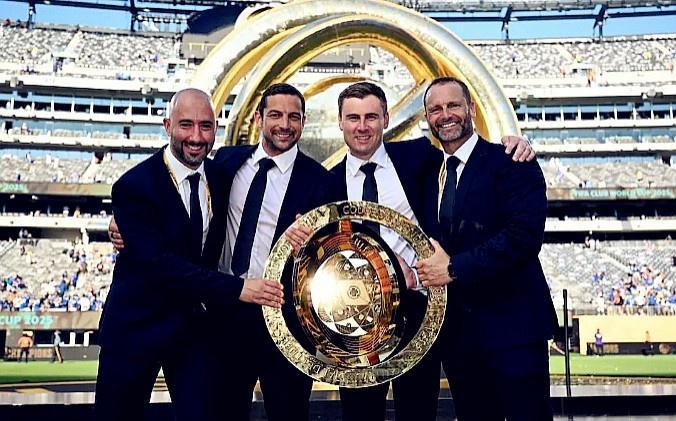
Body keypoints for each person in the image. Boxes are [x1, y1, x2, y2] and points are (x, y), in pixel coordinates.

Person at [286, 81, 534, 421]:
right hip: (357, 323)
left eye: (371, 117)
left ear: (386, 119)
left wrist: (516, 143)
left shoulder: (420, 158)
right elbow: (315, 252)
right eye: (353, 118)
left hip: (422, 314)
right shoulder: (324, 185)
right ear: (340, 122)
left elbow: (471, 156)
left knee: (418, 412)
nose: (362, 126)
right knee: (360, 415)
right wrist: (299, 239)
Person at [96, 88, 284, 421]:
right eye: (186, 125)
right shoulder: (134, 185)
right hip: (135, 329)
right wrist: (239, 288)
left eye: (205, 126)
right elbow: (161, 265)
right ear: (167, 125)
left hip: (192, 332)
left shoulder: (222, 174)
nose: (196, 137)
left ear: (216, 128)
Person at [417, 77, 557, 421]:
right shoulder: (426, 172)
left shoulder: (511, 160)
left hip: (514, 333)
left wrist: (454, 269)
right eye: (435, 109)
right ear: (427, 118)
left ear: (471, 109)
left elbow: (523, 237)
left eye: (453, 105)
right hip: (460, 341)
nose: (445, 115)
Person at [209, 83, 341, 421]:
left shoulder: (321, 181)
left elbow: (332, 258)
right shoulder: (226, 162)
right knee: (223, 412)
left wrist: (311, 245)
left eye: (294, 117)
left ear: (303, 122)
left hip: (285, 322)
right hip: (226, 311)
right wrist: (124, 219)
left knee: (289, 413)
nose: (285, 124)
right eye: (276, 115)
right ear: (259, 118)